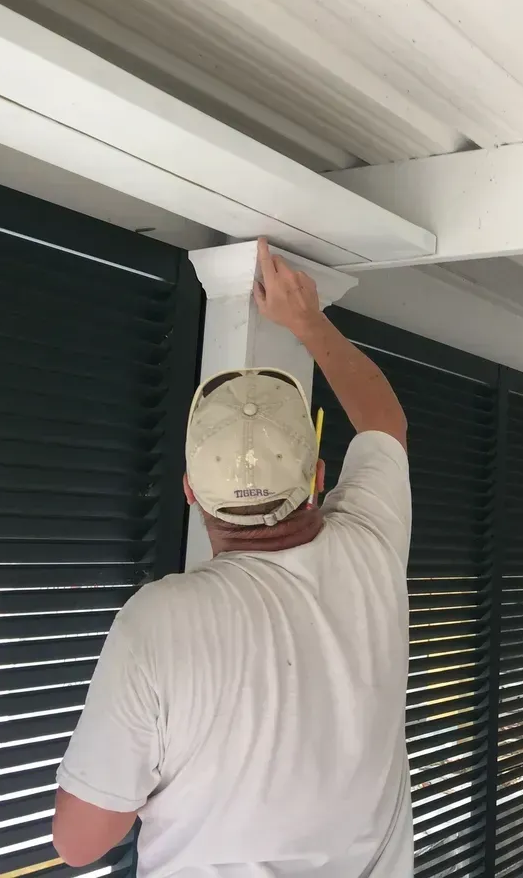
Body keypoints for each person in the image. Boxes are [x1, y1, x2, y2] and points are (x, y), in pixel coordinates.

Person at [51, 238, 412, 878]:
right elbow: (383, 418)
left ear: (191, 492)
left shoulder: (159, 623)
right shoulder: (370, 549)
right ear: (317, 477)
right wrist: (308, 319)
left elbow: (81, 843)